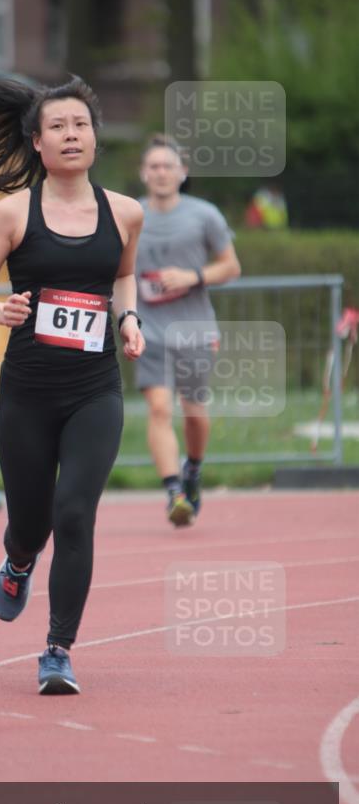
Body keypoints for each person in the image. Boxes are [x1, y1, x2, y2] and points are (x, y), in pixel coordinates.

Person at [0, 76, 145, 695]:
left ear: (95, 137)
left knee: (76, 514)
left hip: (95, 389)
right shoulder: (13, 212)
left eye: (80, 125)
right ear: (37, 142)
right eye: (57, 127)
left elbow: (125, 276)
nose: (70, 135)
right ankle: (18, 560)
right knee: (31, 522)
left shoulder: (124, 211)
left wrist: (130, 317)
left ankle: (57, 649)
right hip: (27, 391)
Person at [135, 134, 241, 526]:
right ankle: (173, 493)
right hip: (148, 330)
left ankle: (192, 469)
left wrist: (191, 276)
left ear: (182, 173)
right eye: (155, 166)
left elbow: (231, 266)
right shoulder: (131, 215)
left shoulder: (205, 215)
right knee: (159, 409)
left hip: (194, 329)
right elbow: (117, 270)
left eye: (168, 166)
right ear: (144, 173)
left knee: (194, 411)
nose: (161, 173)